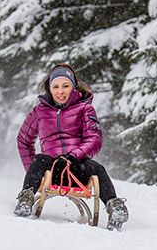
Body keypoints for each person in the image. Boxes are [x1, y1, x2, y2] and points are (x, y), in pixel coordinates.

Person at [14, 63, 128, 230]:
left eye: (65, 86)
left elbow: (94, 138)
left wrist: (74, 155)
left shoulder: (85, 108)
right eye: (56, 86)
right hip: (51, 169)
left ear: (73, 87)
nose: (60, 91)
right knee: (39, 159)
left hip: (76, 168)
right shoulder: (40, 112)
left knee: (97, 168)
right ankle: (26, 198)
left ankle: (115, 207)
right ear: (50, 89)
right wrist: (34, 172)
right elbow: (23, 140)